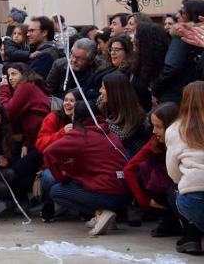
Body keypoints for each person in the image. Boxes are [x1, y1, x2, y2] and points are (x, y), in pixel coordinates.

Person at [44, 101, 131, 236]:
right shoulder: (108, 132)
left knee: (56, 191)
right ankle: (105, 216)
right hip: (124, 195)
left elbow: (49, 152)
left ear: (77, 117)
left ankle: (101, 212)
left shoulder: (81, 134)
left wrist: (61, 178)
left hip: (107, 193)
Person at [124, 102, 181, 237]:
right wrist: (145, 201)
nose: (154, 131)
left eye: (158, 127)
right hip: (166, 188)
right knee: (146, 170)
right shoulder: (154, 141)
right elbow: (129, 169)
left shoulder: (187, 141)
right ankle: (168, 221)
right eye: (153, 126)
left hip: (183, 188)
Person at [0, 63, 49, 194]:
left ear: (24, 75)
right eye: (9, 75)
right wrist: (27, 142)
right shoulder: (31, 87)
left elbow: (6, 112)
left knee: (15, 171)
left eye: (14, 74)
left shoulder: (25, 87)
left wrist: (4, 89)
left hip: (41, 143)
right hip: (35, 141)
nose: (10, 78)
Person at [166, 81, 204, 255]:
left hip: (193, 199)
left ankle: (192, 238)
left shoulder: (175, 129)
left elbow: (173, 172)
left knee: (174, 189)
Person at [37, 90, 80, 221]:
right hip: (54, 166)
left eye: (72, 101)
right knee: (50, 178)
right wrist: (61, 133)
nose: (67, 103)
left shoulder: (85, 120)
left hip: (78, 166)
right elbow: (40, 144)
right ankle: (49, 203)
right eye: (65, 100)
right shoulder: (53, 117)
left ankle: (84, 208)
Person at [99, 70, 149, 156]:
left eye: (103, 88)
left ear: (114, 92)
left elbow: (121, 136)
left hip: (129, 151)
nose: (100, 90)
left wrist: (102, 124)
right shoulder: (103, 102)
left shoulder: (135, 113)